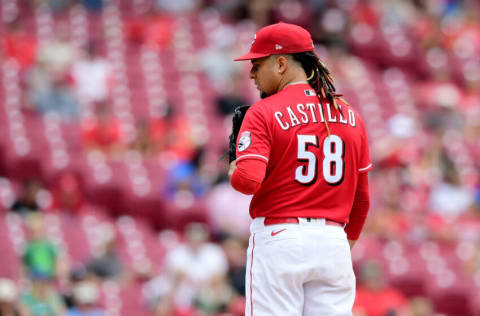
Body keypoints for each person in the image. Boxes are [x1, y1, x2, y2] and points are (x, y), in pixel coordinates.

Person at [228, 22, 372, 315]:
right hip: (333, 242)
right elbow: (362, 199)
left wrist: (234, 167)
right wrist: (337, 245)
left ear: (281, 63)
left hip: (281, 238)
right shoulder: (350, 115)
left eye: (257, 63)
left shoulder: (264, 111)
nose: (252, 73)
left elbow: (248, 181)